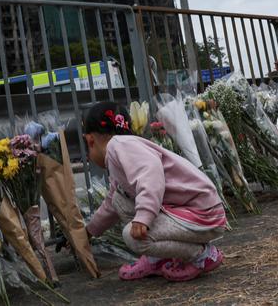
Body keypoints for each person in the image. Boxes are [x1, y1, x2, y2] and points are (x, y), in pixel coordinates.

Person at [83, 101, 226, 281]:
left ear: (89, 140)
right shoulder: (122, 147)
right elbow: (112, 203)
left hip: (202, 215)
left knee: (132, 237)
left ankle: (201, 255)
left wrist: (144, 216)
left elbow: (150, 172)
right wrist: (89, 231)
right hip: (191, 211)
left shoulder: (118, 145)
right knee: (118, 198)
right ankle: (157, 258)